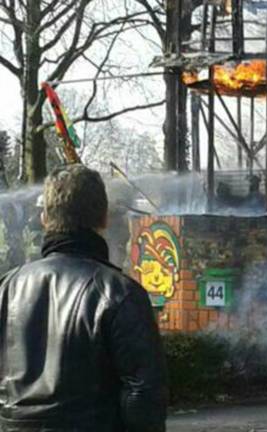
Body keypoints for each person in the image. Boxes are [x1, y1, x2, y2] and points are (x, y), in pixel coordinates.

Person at [0, 164, 168, 432]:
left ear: (45, 219)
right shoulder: (120, 293)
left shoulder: (7, 288)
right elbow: (143, 394)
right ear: (104, 218)